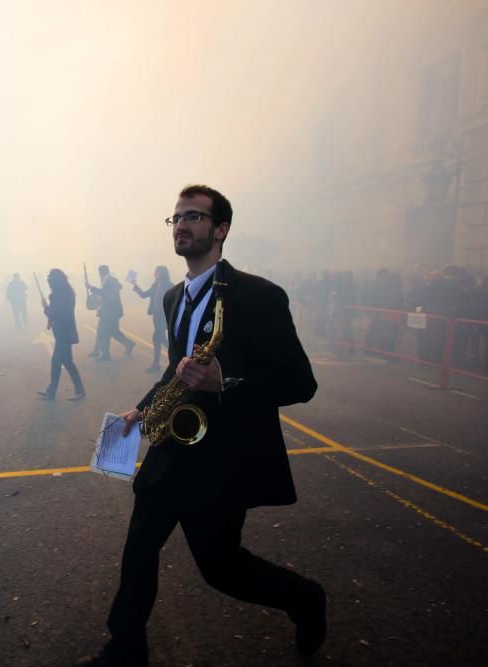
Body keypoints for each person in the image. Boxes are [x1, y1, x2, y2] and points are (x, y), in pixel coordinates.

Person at [76, 185, 323, 666]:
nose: (182, 225)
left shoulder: (259, 296)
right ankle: (125, 648)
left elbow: (301, 382)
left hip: (226, 456)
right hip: (174, 444)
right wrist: (142, 411)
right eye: (176, 219)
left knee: (221, 569)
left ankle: (305, 598)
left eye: (194, 216)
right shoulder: (173, 297)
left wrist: (225, 382)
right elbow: (177, 370)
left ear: (221, 229)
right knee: (139, 547)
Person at [37, 269, 86, 401]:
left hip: (63, 333)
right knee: (62, 362)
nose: (49, 284)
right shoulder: (67, 292)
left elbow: (52, 313)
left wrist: (45, 307)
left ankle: (75, 391)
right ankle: (53, 391)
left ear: (55, 282)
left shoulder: (58, 295)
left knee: (61, 362)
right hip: (65, 332)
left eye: (50, 282)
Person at [87, 265, 134, 361]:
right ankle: (128, 344)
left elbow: (104, 293)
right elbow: (105, 294)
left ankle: (105, 354)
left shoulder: (110, 280)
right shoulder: (109, 280)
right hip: (108, 311)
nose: (99, 275)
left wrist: (91, 287)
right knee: (110, 332)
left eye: (99, 273)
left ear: (101, 272)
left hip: (110, 312)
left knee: (103, 332)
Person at [131, 266, 173, 373]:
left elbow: (172, 302)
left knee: (156, 338)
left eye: (157, 272)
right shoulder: (155, 285)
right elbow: (144, 295)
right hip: (156, 316)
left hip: (163, 316)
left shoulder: (169, 286)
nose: (155, 274)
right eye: (155, 272)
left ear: (162, 273)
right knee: (161, 339)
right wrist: (135, 285)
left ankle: (156, 364)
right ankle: (176, 354)